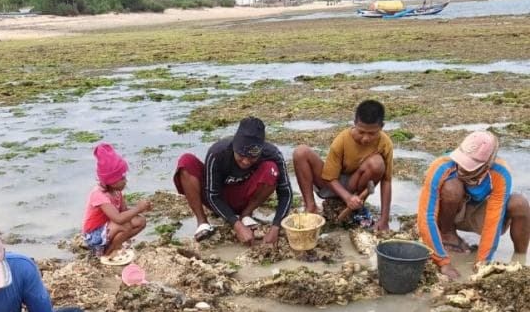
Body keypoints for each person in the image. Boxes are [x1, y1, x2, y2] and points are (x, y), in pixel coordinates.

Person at [418, 131, 530, 279]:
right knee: (452, 187)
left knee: (520, 203)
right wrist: (443, 263)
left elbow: (493, 222)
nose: (462, 169)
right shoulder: (441, 166)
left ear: (487, 165)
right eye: (461, 163)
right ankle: (447, 235)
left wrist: (482, 264)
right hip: (451, 212)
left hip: (478, 212)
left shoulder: (500, 174)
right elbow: (426, 215)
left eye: (469, 166)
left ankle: (520, 258)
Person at [174, 116, 292, 245]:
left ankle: (246, 214)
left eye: (252, 157)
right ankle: (202, 222)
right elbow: (212, 195)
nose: (246, 161)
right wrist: (237, 226)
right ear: (234, 145)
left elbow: (286, 192)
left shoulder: (273, 154)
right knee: (186, 161)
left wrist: (275, 227)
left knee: (271, 169)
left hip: (246, 197)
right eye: (241, 156)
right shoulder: (217, 153)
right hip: (218, 198)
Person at [292, 100, 393, 230]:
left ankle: (358, 207)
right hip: (331, 185)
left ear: (382, 127)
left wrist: (384, 220)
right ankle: (311, 206)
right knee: (301, 152)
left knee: (377, 164)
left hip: (355, 186)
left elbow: (386, 181)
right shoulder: (342, 139)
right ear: (355, 123)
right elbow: (328, 177)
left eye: (372, 133)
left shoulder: (385, 144)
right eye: (361, 131)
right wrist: (347, 197)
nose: (365, 138)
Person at [82, 143, 151, 264]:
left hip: (108, 228)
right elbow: (119, 219)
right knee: (125, 225)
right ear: (112, 181)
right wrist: (138, 208)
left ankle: (116, 244)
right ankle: (107, 252)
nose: (126, 181)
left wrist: (142, 209)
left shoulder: (117, 192)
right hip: (94, 235)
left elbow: (124, 212)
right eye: (122, 178)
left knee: (140, 221)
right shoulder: (99, 195)